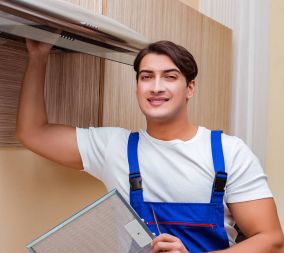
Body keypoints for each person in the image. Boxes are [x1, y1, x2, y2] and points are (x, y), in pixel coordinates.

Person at [16, 39, 284, 253]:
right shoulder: (113, 147)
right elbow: (33, 133)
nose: (156, 87)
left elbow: (272, 241)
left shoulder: (228, 152)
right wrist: (38, 57)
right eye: (146, 77)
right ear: (137, 87)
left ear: (189, 88)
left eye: (169, 77)